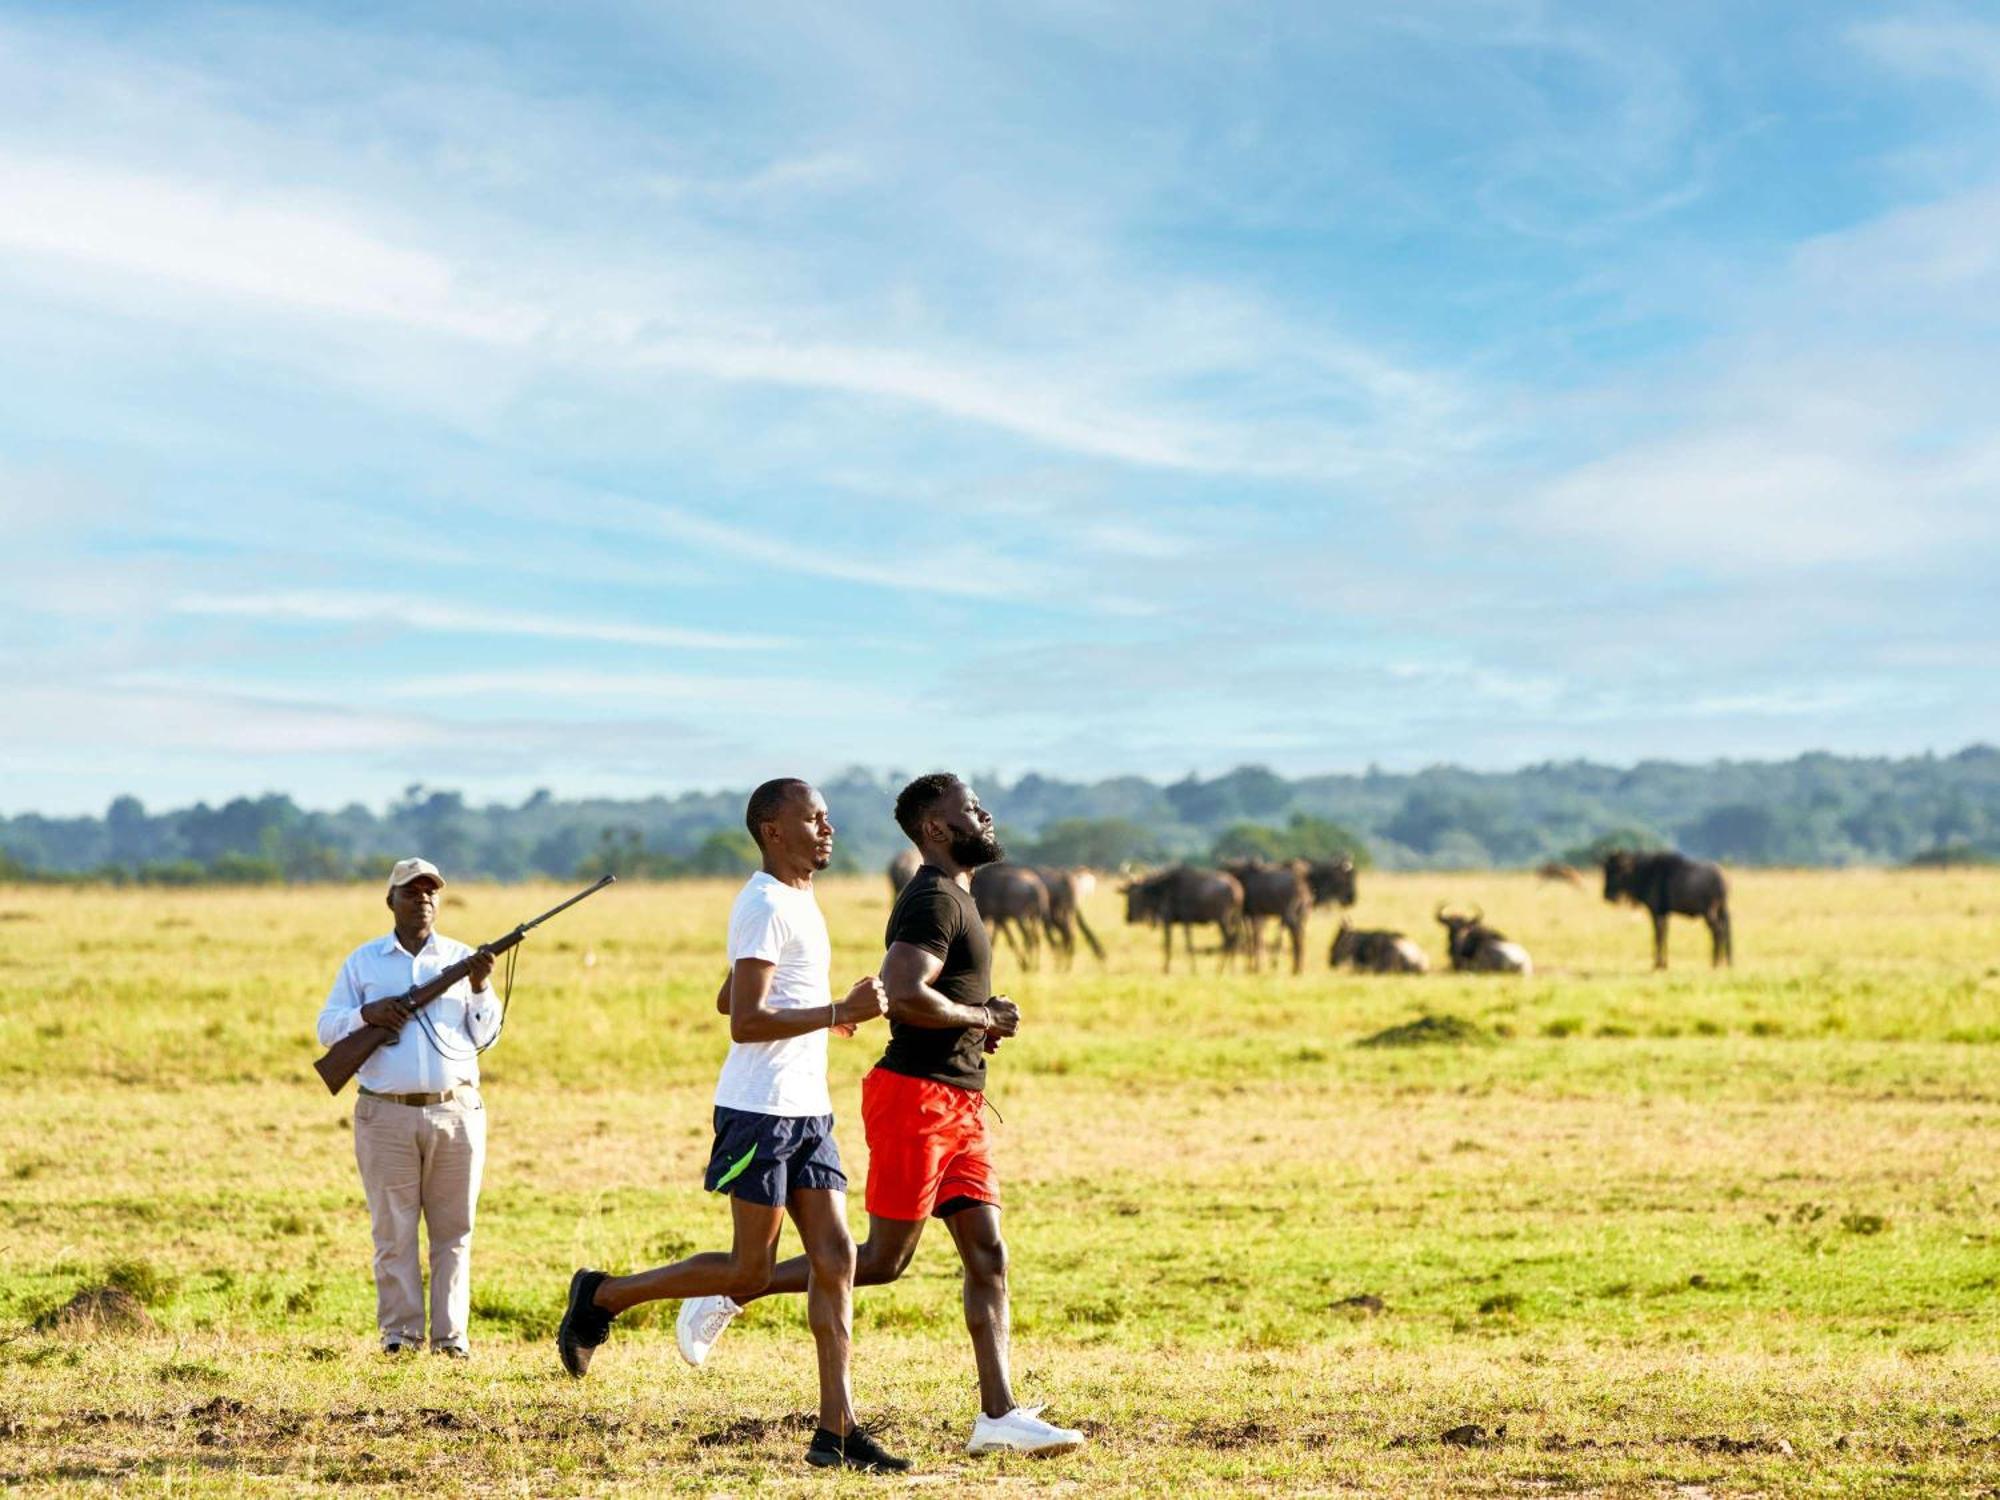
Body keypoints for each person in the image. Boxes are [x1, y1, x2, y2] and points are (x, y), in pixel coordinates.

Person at [679, 773, 1086, 1458]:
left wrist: (972, 1025)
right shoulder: (930, 898)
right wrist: (977, 1014)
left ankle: (998, 1415)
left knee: (987, 1254)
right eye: (968, 808)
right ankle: (732, 1292)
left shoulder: (954, 894)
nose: (984, 814)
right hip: (915, 1101)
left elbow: (926, 996)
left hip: (960, 1099)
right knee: (878, 1261)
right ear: (935, 827)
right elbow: (901, 992)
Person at [556, 779, 907, 1474]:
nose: (827, 828)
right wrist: (838, 1009)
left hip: (808, 1109)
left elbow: (733, 993)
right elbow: (745, 1022)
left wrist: (817, 1012)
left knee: (836, 1261)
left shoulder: (798, 901)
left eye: (828, 818)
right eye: (813, 819)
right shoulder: (764, 902)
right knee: (750, 1270)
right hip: (759, 1114)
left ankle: (836, 1432)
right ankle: (603, 1294)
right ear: (773, 830)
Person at [317, 857, 498, 1357]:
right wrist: (367, 1014)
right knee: (392, 1231)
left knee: (454, 1230)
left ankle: (451, 1339)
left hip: (455, 1112)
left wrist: (480, 984)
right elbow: (327, 1027)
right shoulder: (363, 962)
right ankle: (399, 1336)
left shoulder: (462, 960)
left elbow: (486, 1036)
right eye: (412, 891)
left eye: (431, 892)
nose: (423, 899)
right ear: (390, 900)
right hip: (385, 1114)